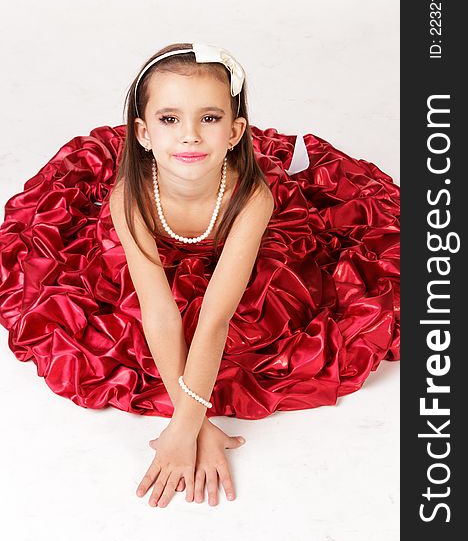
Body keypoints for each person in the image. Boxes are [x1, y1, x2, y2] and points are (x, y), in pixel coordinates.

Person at [0, 42, 400, 508]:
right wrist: (197, 423)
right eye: (169, 119)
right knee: (115, 326)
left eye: (209, 119)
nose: (189, 135)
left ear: (235, 132)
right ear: (143, 133)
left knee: (263, 332)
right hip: (157, 244)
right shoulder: (129, 196)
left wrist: (183, 425)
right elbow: (160, 312)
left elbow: (214, 318)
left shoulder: (253, 199)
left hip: (231, 237)